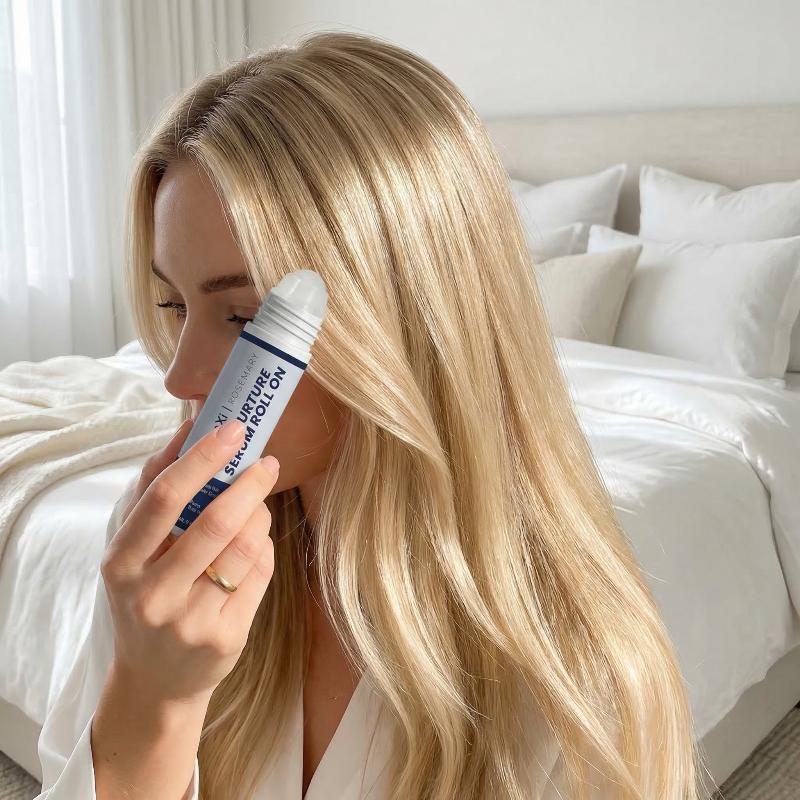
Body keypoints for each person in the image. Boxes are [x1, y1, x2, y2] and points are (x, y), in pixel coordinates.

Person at [34, 30, 712, 800]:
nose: (179, 378)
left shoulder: (576, 675)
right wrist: (152, 704)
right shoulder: (161, 554)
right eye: (175, 306)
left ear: (402, 320)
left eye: (245, 316)